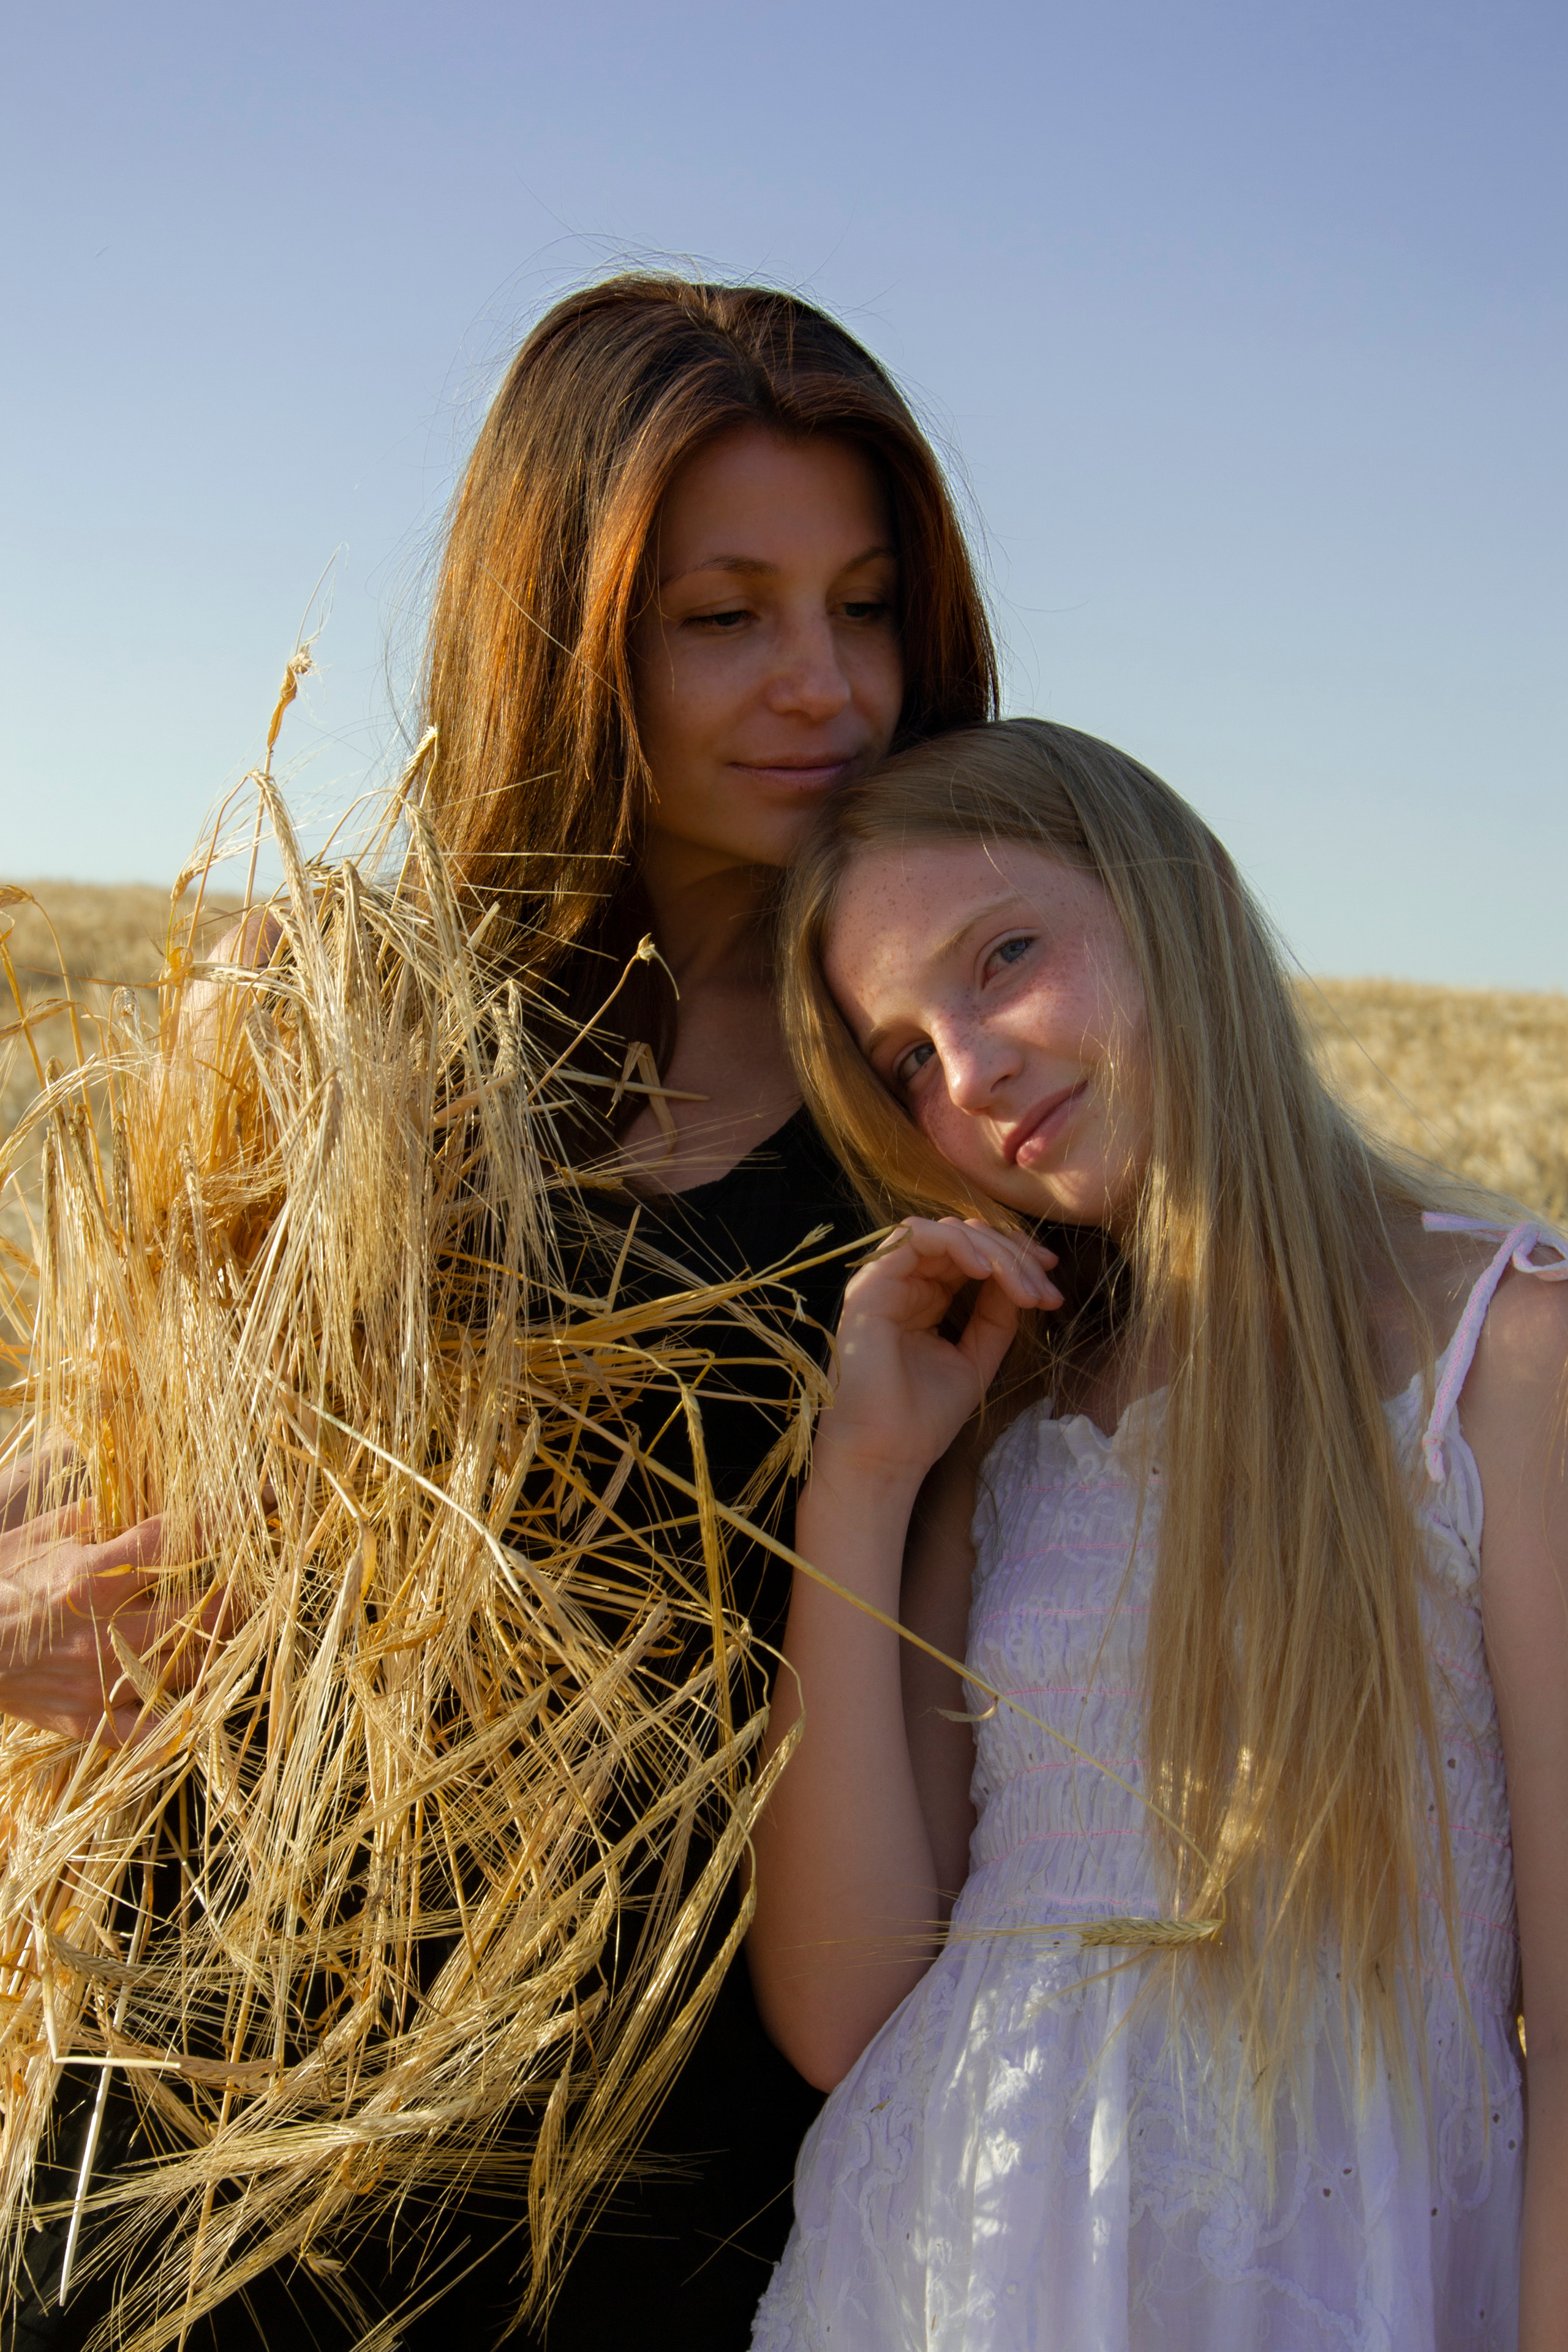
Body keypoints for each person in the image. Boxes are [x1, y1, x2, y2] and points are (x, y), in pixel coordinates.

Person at [0, 277, 998, 2348]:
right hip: (228, 2107)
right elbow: (93, 1459)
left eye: (868, 605)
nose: (826, 685)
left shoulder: (958, 1100)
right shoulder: (325, 1015)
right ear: (565, 632)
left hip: (672, 2141)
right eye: (726, 617)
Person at [746, 717, 1567, 2349]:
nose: (967, 1071)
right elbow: (844, 2011)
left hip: (1326, 2281)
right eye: (907, 1054)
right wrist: (861, 1480)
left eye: (1006, 958)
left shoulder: (1505, 1351)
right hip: (942, 2274)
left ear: (1174, 894)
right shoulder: (1010, 1437)